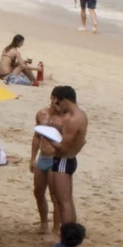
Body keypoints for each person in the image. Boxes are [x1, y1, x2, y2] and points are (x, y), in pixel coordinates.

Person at [42, 85, 87, 229]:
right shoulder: (81, 115)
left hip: (63, 159)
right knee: (67, 200)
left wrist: (46, 136)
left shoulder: (73, 120)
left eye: (59, 102)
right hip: (69, 159)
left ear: (66, 101)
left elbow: (63, 147)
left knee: (63, 202)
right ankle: (72, 232)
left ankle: (68, 234)